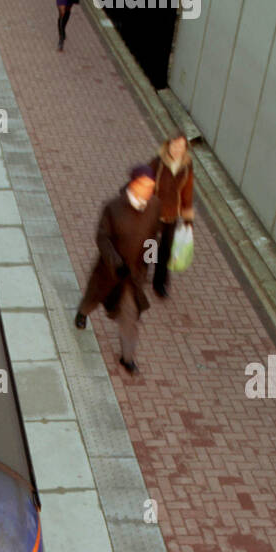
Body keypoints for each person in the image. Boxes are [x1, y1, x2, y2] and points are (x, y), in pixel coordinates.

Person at [74, 166, 161, 376]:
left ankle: (127, 357)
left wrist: (147, 267)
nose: (148, 191)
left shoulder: (155, 206)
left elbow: (153, 238)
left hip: (133, 277)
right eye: (144, 186)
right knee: (93, 297)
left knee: (129, 316)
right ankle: (83, 312)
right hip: (109, 271)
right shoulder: (113, 208)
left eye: (151, 186)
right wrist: (115, 262)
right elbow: (102, 237)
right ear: (133, 184)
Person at [148, 131, 194, 297]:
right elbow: (146, 184)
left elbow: (187, 193)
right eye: (174, 145)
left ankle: (158, 283)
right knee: (150, 245)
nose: (177, 149)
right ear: (168, 145)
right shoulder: (158, 163)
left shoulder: (187, 167)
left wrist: (188, 219)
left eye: (181, 146)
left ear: (185, 148)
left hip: (172, 215)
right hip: (153, 214)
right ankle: (144, 271)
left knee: (165, 249)